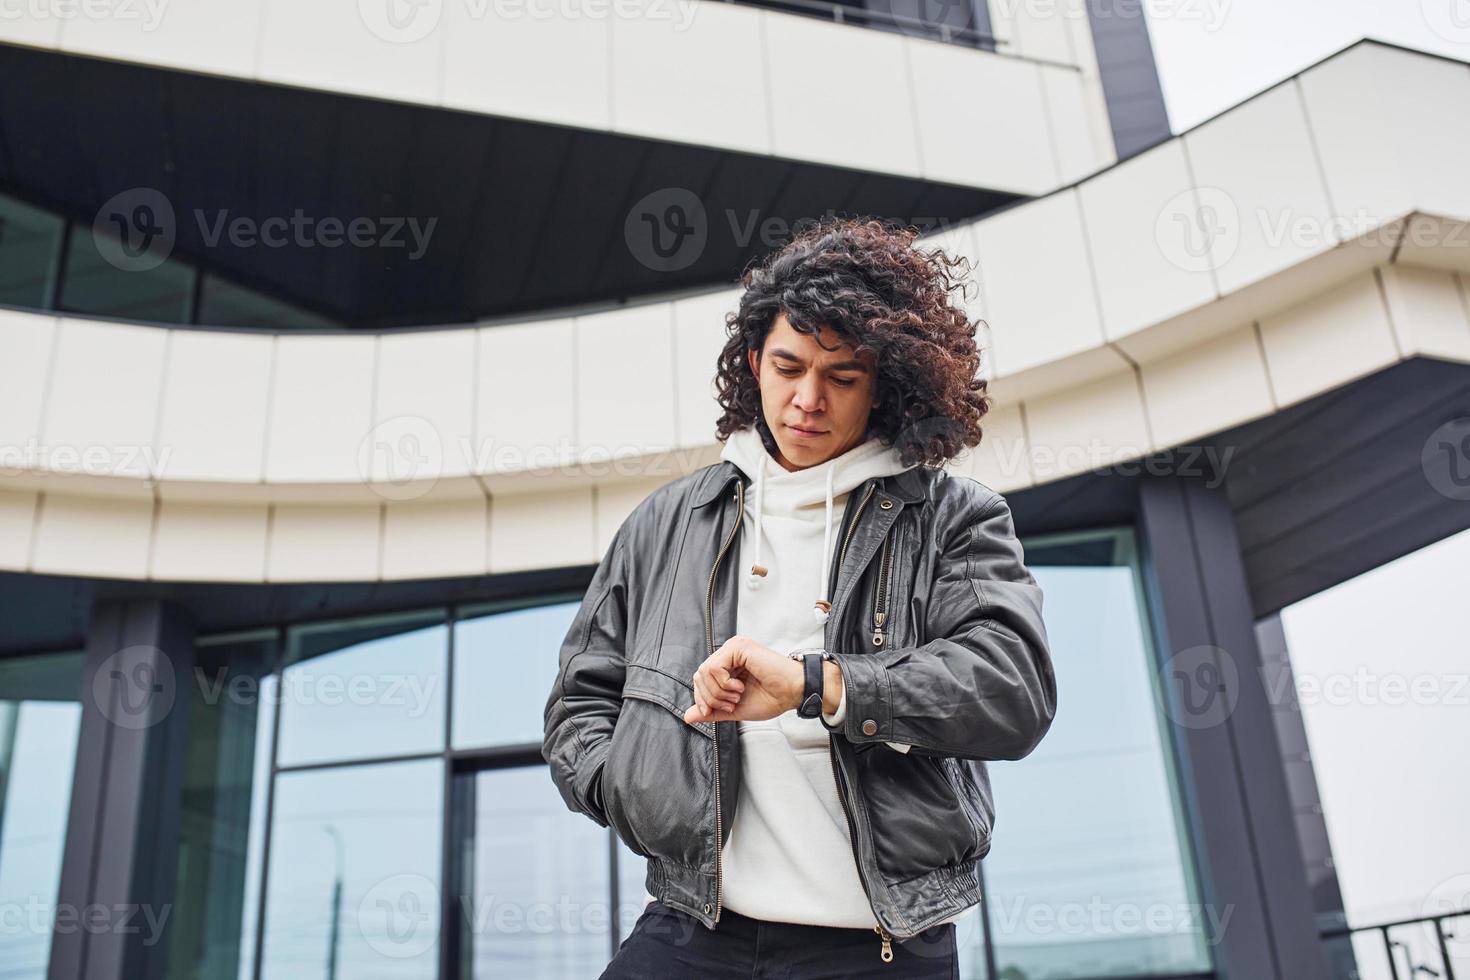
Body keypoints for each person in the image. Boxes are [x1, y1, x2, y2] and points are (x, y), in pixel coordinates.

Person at [542, 216, 1057, 978]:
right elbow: (578, 707)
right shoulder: (667, 523)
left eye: (842, 377)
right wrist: (631, 787)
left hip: (879, 949)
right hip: (693, 928)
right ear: (754, 363)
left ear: (885, 385)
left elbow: (1012, 690)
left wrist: (820, 685)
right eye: (787, 367)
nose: (807, 399)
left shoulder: (952, 518)